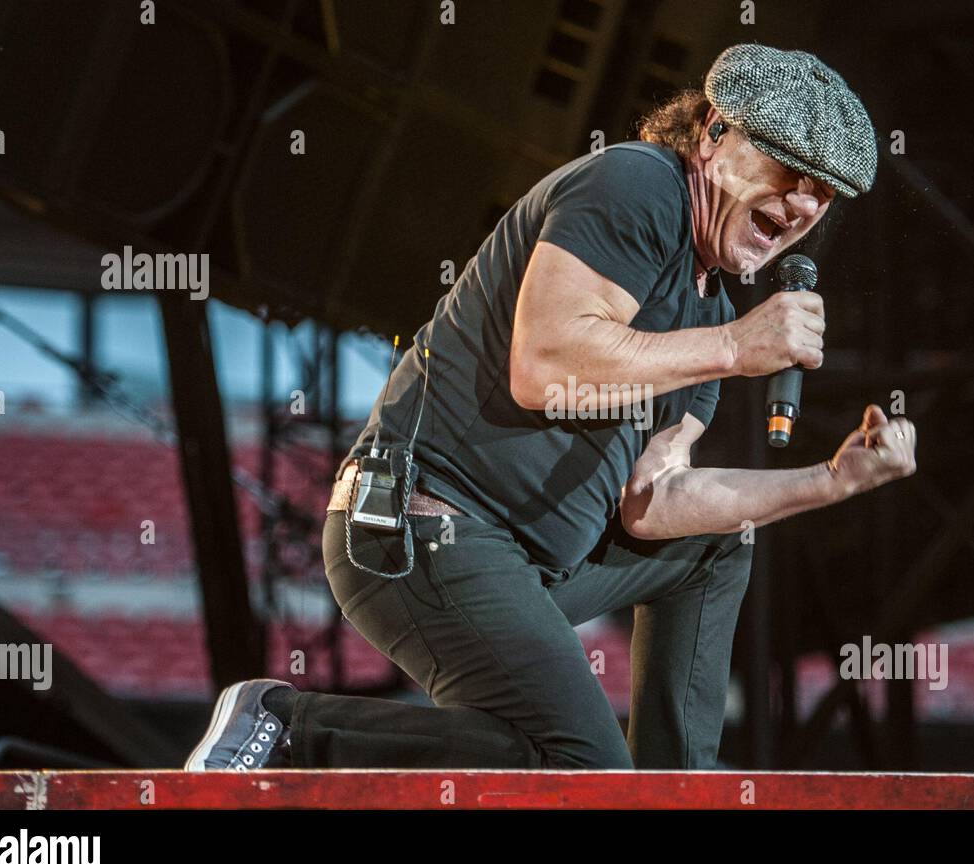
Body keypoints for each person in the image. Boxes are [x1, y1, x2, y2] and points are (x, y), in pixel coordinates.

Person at [185, 43, 915, 773]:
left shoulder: (712, 310)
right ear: (712, 134)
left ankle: (671, 792)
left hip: (521, 560)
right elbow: (544, 365)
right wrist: (731, 346)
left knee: (717, 545)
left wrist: (831, 479)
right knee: (584, 766)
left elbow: (653, 503)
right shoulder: (637, 185)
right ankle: (289, 723)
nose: (803, 206)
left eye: (825, 195)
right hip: (418, 524)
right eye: (789, 170)